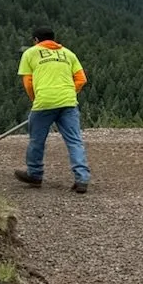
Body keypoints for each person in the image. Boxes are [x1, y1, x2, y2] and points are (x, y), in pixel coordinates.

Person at [15, 25, 91, 192]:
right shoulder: (68, 53)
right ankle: (82, 178)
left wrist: (35, 99)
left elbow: (28, 83)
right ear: (53, 39)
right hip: (68, 102)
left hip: (44, 102)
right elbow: (81, 79)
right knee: (74, 140)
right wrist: (70, 92)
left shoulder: (30, 53)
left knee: (37, 140)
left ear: (36, 40)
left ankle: (35, 174)